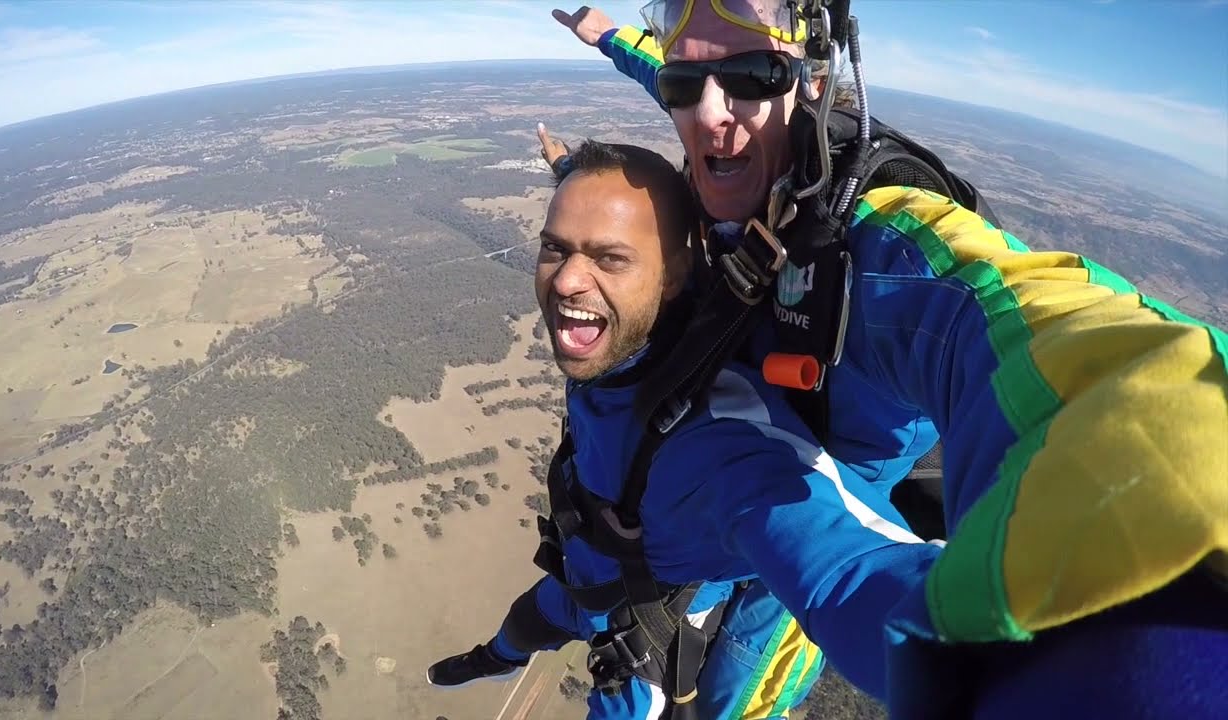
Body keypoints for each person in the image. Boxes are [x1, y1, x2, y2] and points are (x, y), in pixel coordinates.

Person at [531, 2, 1228, 719]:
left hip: (806, 534)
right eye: (687, 83)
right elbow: (674, 70)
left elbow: (1039, 326)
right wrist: (607, 35)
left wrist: (1166, 574)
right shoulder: (733, 127)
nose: (710, 113)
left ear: (810, 76)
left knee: (728, 703)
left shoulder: (880, 240)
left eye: (752, 72)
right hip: (711, 490)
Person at [427, 140, 942, 719]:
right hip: (587, 575)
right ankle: (492, 657)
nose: (569, 279)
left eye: (609, 257)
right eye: (555, 247)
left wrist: (1013, 663)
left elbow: (852, 568)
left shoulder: (718, 443)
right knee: (524, 626)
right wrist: (575, 161)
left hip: (650, 627)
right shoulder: (626, 338)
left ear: (673, 274)